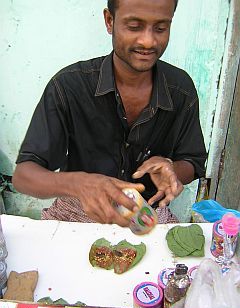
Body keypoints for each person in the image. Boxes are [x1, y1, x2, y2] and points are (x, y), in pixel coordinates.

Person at [12, 0, 207, 226]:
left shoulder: (181, 90)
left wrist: (172, 170)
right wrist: (78, 184)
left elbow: (192, 161)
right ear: (109, 21)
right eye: (134, 26)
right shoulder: (68, 86)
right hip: (77, 210)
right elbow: (23, 176)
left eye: (161, 28)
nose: (148, 41)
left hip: (147, 213)